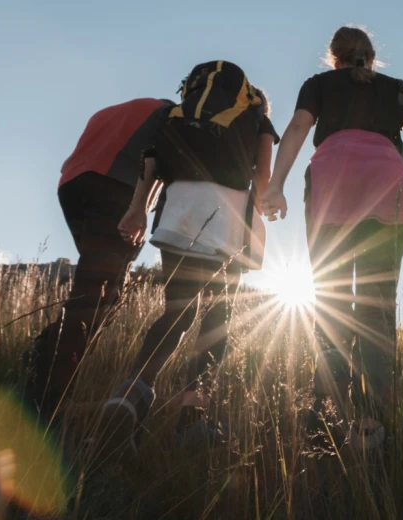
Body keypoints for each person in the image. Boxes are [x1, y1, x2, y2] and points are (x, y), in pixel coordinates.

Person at [260, 26, 403, 449]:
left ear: (333, 57)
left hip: (331, 182)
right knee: (376, 308)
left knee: (331, 300)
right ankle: (372, 424)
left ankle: (324, 413)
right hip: (386, 186)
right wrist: (400, 184)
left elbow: (299, 128)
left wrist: (275, 185)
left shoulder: (319, 84)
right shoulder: (397, 89)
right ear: (371, 57)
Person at [99, 62, 280, 453]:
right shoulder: (257, 118)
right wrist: (265, 201)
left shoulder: (173, 114)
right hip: (226, 222)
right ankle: (191, 422)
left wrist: (137, 211)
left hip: (178, 212)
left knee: (177, 312)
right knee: (217, 318)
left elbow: (152, 165)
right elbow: (262, 177)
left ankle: (129, 395)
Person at [24, 97, 174, 423]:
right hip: (116, 186)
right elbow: (158, 159)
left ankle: (41, 357)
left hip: (73, 184)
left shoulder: (115, 111)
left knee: (93, 291)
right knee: (97, 299)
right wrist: (143, 209)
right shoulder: (171, 114)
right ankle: (45, 403)